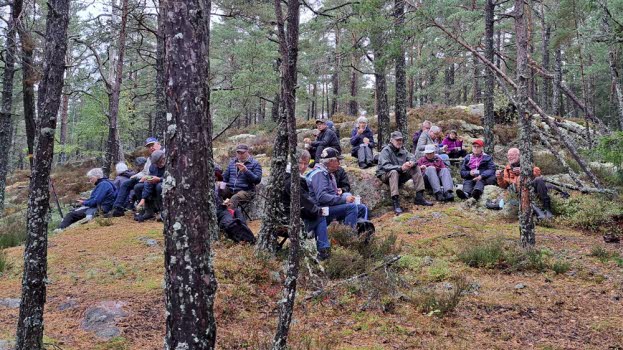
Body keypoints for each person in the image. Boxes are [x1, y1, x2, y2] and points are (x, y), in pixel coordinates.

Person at [283, 150, 331, 260]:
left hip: (281, 217)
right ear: (294, 162)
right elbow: (304, 203)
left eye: (306, 163)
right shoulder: (294, 180)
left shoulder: (282, 175)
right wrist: (317, 210)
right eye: (301, 163)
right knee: (320, 217)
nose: (303, 166)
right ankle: (323, 252)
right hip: (290, 220)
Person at [306, 147, 368, 228]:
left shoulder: (327, 173)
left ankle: (359, 234)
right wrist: (344, 199)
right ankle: (348, 237)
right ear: (331, 161)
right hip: (320, 210)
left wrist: (338, 193)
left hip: (328, 207)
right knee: (351, 207)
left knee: (361, 208)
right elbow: (322, 197)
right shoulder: (319, 174)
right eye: (337, 160)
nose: (339, 163)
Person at [376, 131, 433, 215]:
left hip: (400, 174)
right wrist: (400, 168)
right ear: (391, 140)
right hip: (386, 175)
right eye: (397, 140)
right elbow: (385, 166)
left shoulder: (403, 150)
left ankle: (419, 197)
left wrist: (411, 163)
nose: (399, 142)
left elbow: (413, 158)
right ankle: (396, 202)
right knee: (394, 172)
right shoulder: (386, 151)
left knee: (416, 168)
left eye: (401, 140)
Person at [110, 138, 162, 217]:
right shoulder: (149, 158)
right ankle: (117, 208)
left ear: (158, 144)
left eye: (152, 145)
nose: (151, 148)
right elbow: (144, 172)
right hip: (146, 178)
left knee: (138, 186)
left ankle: (148, 209)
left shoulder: (164, 155)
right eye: (149, 146)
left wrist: (148, 177)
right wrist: (135, 176)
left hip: (155, 179)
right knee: (126, 183)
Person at [496, 148, 553, 219]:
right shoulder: (507, 169)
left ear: (519, 156)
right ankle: (539, 213)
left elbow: (537, 172)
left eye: (512, 155)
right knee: (519, 180)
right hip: (518, 192)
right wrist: (499, 178)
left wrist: (523, 171)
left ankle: (548, 209)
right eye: (508, 155)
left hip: (530, 187)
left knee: (539, 179)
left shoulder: (526, 163)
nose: (510, 157)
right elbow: (504, 185)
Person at [221, 144, 263, 209]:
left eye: (242, 152)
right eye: (238, 152)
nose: (240, 155)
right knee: (217, 191)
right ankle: (216, 213)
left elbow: (257, 180)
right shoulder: (232, 163)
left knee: (235, 198)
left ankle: (228, 217)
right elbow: (225, 178)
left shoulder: (255, 164)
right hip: (231, 189)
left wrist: (246, 171)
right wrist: (220, 188)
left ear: (247, 152)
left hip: (246, 191)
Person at [135, 150, 166, 222]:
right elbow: (149, 179)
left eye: (160, 162)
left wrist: (159, 179)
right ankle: (147, 210)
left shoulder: (170, 164)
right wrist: (143, 198)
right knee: (138, 187)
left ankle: (163, 211)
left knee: (159, 187)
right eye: (156, 163)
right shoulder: (153, 167)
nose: (159, 164)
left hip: (165, 184)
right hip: (154, 184)